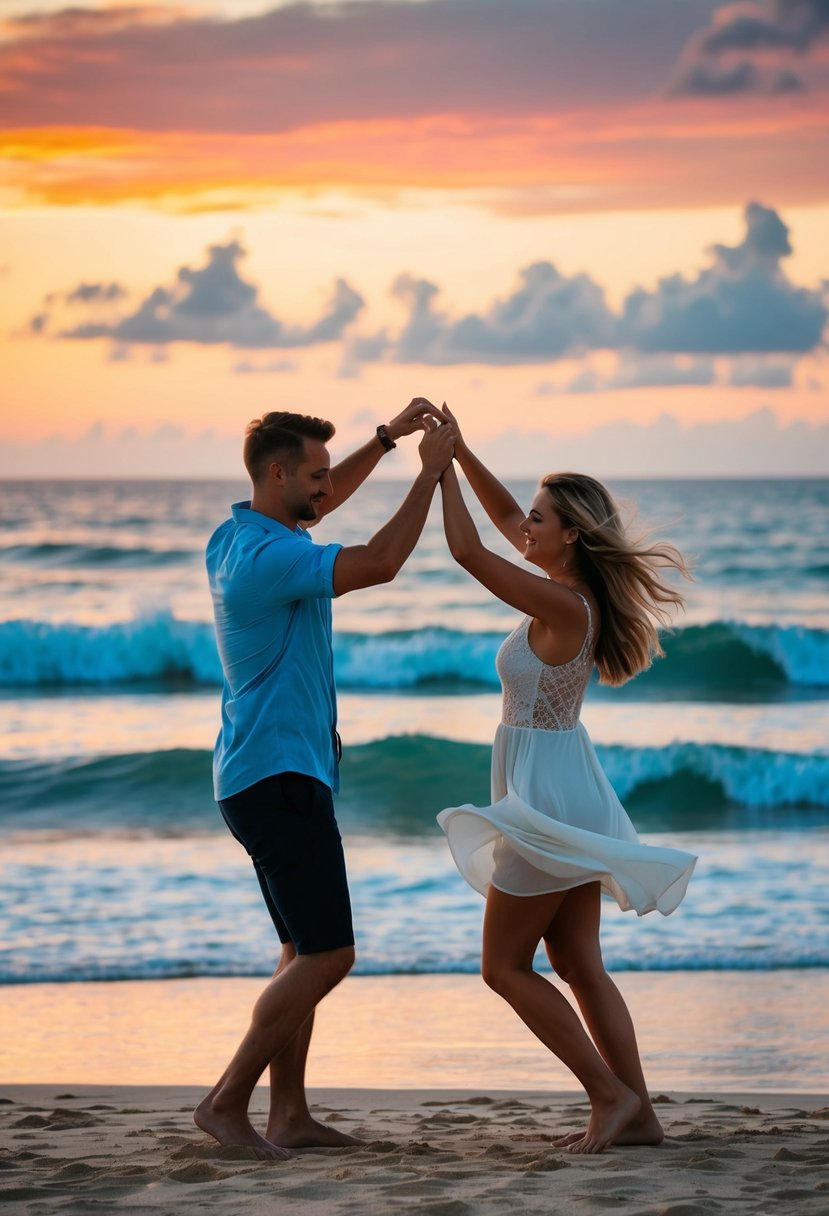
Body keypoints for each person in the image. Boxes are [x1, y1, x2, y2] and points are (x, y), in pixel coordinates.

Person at [435, 404, 696, 1155]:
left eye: (540, 521)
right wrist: (458, 453)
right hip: (561, 783)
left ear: (571, 536)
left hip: (545, 797)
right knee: (578, 963)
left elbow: (465, 550)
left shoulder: (560, 602)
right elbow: (503, 515)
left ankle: (609, 1097)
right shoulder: (566, 590)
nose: (525, 528)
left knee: (503, 967)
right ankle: (637, 1113)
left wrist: (433, 475)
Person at [197, 401, 455, 1158]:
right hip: (276, 776)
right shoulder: (270, 560)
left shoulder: (238, 534)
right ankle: (224, 1102)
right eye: (313, 474)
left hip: (264, 771)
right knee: (328, 954)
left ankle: (290, 1116)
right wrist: (428, 475)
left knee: (298, 948)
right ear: (278, 474)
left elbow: (326, 503)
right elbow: (378, 562)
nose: (325, 488)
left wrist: (384, 439)